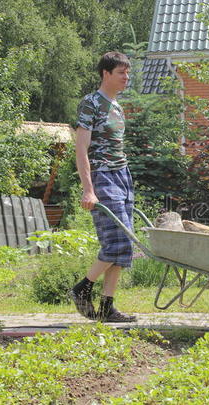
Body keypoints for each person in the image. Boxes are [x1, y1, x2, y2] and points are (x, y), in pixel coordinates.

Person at [69, 52, 136, 322]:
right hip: (102, 176)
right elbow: (81, 148)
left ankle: (107, 307)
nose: (126, 77)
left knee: (126, 243)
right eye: (121, 72)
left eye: (127, 72)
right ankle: (81, 289)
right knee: (116, 242)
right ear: (105, 73)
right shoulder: (91, 103)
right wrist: (88, 189)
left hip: (122, 176)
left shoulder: (117, 106)